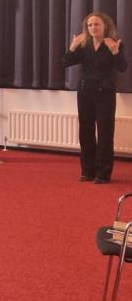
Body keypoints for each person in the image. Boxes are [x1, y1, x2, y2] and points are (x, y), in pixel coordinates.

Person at [63, 11, 127, 183]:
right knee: (86, 132)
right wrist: (72, 47)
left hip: (105, 94)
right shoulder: (84, 45)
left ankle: (103, 173)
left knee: (105, 133)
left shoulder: (114, 44)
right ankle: (87, 171)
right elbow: (66, 62)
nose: (93, 27)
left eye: (97, 24)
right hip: (85, 93)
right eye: (90, 25)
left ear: (105, 26)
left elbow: (122, 67)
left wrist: (115, 51)